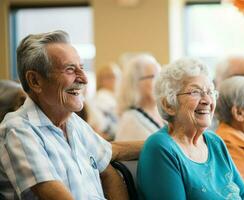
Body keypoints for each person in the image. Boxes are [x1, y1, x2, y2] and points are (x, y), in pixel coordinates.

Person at [0, 30, 142, 200]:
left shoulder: (73, 122)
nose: (84, 78)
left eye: (81, 68)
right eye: (70, 69)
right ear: (35, 81)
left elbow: (109, 158)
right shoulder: (18, 130)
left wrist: (171, 143)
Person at [137, 58, 244, 200]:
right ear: (169, 105)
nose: (207, 100)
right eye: (195, 92)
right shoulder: (160, 148)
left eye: (210, 91)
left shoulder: (215, 142)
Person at [115, 54, 165, 141]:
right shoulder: (130, 120)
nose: (159, 81)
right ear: (135, 82)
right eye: (153, 76)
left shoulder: (160, 112)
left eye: (160, 75)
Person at [94, 62, 121, 141]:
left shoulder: (115, 96)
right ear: (101, 80)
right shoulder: (102, 96)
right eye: (110, 76)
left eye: (116, 76)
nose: (114, 80)